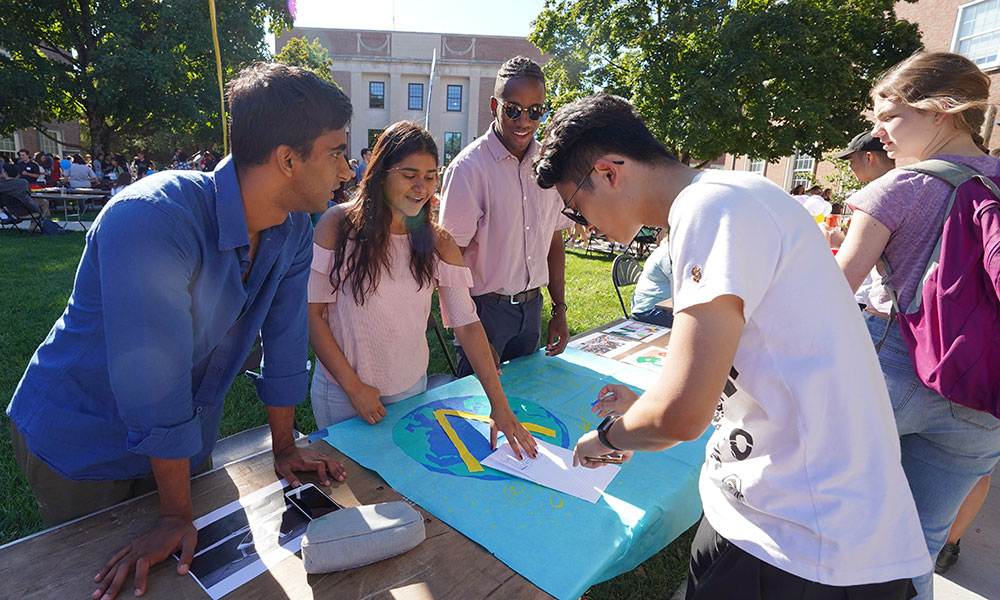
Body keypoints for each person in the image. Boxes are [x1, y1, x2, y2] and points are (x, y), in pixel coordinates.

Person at [533, 93, 929, 599]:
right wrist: (648, 404)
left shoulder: (710, 207)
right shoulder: (730, 197)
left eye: (576, 206)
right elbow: (746, 359)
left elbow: (680, 417)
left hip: (798, 537)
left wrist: (606, 439)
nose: (581, 225)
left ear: (610, 173)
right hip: (788, 514)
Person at [6, 62, 354, 600]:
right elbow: (153, 380)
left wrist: (284, 447)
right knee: (98, 584)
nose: (348, 171)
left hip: (180, 447)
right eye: (337, 152)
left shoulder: (291, 231)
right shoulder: (151, 219)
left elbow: (286, 343)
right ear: (288, 160)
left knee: (191, 580)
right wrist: (175, 511)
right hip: (83, 439)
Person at [835, 51, 1000, 599]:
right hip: (985, 394)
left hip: (892, 370)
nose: (876, 130)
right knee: (920, 545)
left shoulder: (898, 187)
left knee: (830, 523)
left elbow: (832, 293)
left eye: (890, 114)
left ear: (942, 110)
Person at [308, 121, 538, 458]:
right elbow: (312, 316)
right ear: (381, 172)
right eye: (409, 175)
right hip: (342, 394)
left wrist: (499, 406)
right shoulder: (337, 226)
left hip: (410, 392)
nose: (421, 187)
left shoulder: (439, 242)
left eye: (431, 177)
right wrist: (353, 386)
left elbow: (468, 325)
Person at [438, 56, 572, 377]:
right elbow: (449, 259)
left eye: (535, 111)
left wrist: (559, 308)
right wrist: (470, 330)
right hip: (484, 313)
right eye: (513, 109)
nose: (524, 121)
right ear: (494, 105)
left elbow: (554, 239)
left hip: (533, 308)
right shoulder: (468, 170)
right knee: (480, 414)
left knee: (528, 402)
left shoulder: (549, 166)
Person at [628, 242, 674, 327]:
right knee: (697, 322)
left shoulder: (672, 250)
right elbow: (684, 285)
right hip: (648, 311)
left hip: (664, 308)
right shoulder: (667, 254)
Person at [0, 162, 49, 231]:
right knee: (44, 202)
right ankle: (35, 225)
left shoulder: (1, 185)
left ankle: (3, 215)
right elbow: (29, 194)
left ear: (5, 172)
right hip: (29, 209)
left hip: (11, 210)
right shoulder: (23, 182)